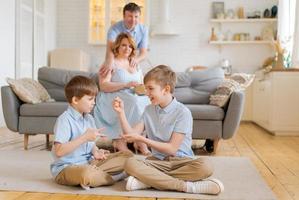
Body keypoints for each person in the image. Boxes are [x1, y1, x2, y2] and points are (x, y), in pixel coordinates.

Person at [112, 65, 224, 195]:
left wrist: (142, 139)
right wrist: (121, 113)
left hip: (182, 162)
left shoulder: (183, 112)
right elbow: (130, 135)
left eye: (150, 89)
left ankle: (148, 181)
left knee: (206, 166)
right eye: (146, 88)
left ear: (166, 89)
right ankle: (187, 187)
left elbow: (171, 149)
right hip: (158, 162)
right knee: (130, 163)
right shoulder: (148, 110)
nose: (146, 93)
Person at [50, 76, 133, 190]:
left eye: (94, 99)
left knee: (128, 156)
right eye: (90, 99)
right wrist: (84, 137)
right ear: (75, 100)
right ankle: (116, 177)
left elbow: (90, 143)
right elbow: (59, 151)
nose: (94, 103)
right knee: (86, 174)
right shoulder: (64, 120)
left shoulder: (89, 118)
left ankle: (97, 178)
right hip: (67, 168)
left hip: (89, 163)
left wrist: (96, 152)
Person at [94, 33, 151, 154]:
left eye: (130, 46)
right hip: (112, 94)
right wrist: (125, 85)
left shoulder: (135, 63)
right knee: (134, 101)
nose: (127, 49)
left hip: (132, 94)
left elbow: (140, 82)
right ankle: (120, 140)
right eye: (124, 45)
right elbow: (103, 86)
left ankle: (140, 139)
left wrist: (143, 89)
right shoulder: (110, 63)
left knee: (147, 101)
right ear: (117, 47)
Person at [101, 2, 148, 75]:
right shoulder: (114, 29)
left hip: (132, 62)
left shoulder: (143, 30)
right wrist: (110, 62)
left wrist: (136, 59)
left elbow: (143, 53)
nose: (133, 20)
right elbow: (110, 49)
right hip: (116, 61)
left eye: (136, 17)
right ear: (124, 16)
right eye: (130, 16)